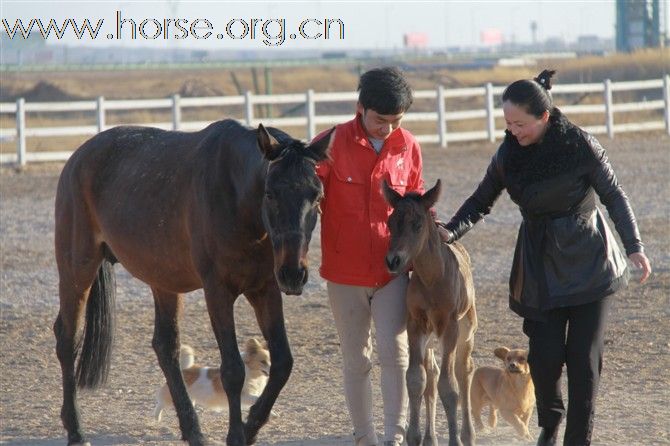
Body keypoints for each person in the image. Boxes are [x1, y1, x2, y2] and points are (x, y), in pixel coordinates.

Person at [437, 69, 652, 446]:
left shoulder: (580, 144)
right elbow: (480, 200)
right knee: (545, 359)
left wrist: (634, 245)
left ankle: (576, 440)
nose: (513, 131)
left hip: (590, 263)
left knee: (584, 361)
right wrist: (450, 231)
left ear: (544, 117)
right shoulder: (508, 154)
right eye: (507, 123)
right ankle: (550, 420)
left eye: (520, 123)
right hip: (539, 267)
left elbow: (614, 195)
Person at [314, 67, 426, 446]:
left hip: (391, 274)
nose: (388, 129)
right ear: (361, 108)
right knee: (356, 359)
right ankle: (365, 438)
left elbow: (416, 204)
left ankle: (393, 438)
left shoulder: (408, 146)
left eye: (397, 121)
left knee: (395, 354)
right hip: (343, 274)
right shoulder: (330, 143)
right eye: (381, 120)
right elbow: (300, 189)